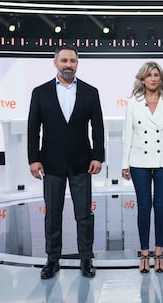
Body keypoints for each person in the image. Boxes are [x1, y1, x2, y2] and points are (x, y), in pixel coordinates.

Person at [27, 45, 105, 279]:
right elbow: (33, 129)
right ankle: (52, 260)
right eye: (64, 61)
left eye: (72, 61)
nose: (68, 65)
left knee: (84, 214)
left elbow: (98, 127)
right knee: (53, 214)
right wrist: (34, 159)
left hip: (82, 162)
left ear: (77, 63)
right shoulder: (39, 92)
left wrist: (97, 156)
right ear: (55, 63)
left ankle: (86, 259)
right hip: (51, 164)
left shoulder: (91, 92)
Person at [121, 61, 163, 273]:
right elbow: (127, 134)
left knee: (161, 206)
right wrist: (124, 163)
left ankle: (159, 252)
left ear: (161, 78)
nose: (153, 78)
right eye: (149, 75)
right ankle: (144, 253)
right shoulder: (133, 103)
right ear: (143, 79)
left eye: (156, 75)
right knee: (144, 207)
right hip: (139, 161)